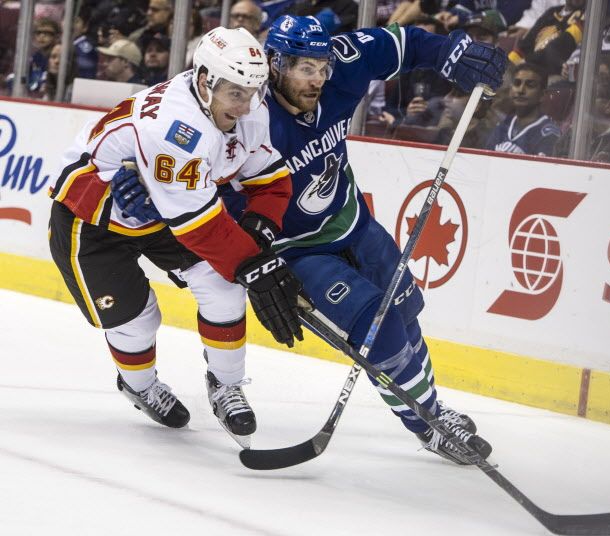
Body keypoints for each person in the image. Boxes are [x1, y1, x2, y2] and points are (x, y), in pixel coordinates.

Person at [116, 17, 507, 465]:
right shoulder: (245, 110)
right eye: (305, 68)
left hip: (352, 221)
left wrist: (452, 54)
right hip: (292, 250)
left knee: (403, 311)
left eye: (321, 67)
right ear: (275, 64)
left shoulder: (341, 64)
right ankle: (432, 424)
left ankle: (434, 409)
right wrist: (139, 175)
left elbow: (403, 41)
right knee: (378, 331)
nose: (318, 79)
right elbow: (171, 126)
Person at [48, 27, 304, 446]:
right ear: (205, 81)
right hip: (93, 217)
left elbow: (269, 180)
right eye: (235, 93)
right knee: (137, 320)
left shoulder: (250, 110)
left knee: (222, 287)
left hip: (167, 210)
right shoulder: (175, 128)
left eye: (254, 92)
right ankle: (140, 385)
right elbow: (200, 227)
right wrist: (255, 267)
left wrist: (260, 233)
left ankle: (226, 385)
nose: (245, 106)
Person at [486, 62, 560, 156]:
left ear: (543, 94)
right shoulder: (502, 126)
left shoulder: (549, 133)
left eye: (530, 85)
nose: (521, 90)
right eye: (517, 83)